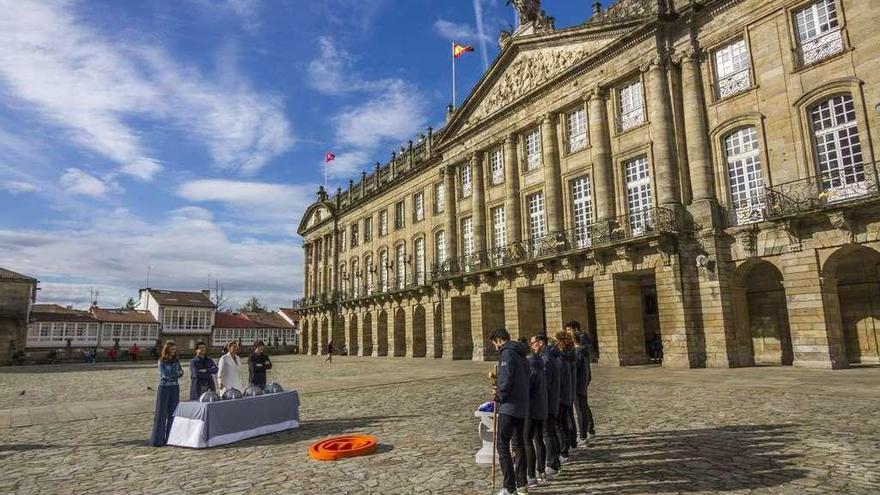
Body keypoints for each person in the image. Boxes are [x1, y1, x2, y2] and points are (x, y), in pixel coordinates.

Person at [490, 328, 529, 495]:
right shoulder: (522, 354)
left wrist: (498, 395)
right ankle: (522, 485)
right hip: (522, 405)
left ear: (499, 340)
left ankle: (509, 487)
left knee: (502, 445)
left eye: (494, 344)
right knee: (519, 445)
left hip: (509, 406)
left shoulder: (507, 353)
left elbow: (506, 379)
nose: (495, 348)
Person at [534, 333, 561, 478]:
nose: (532, 347)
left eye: (533, 344)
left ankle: (552, 463)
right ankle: (555, 461)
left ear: (540, 343)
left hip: (546, 402)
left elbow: (544, 384)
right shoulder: (551, 357)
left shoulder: (545, 359)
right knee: (551, 432)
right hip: (552, 401)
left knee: (547, 434)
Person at [149, 341, 183, 446]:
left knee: (173, 412)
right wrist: (176, 374)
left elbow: (181, 372)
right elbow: (166, 374)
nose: (173, 352)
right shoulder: (162, 361)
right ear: (167, 350)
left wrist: (176, 374)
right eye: (171, 350)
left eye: (174, 350)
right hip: (164, 388)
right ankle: (158, 439)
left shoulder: (176, 361)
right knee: (161, 413)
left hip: (174, 387)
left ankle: (171, 437)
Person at [525, 335, 548, 486]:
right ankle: (542, 471)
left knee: (527, 441)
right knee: (539, 439)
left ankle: (531, 474)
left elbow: (527, 389)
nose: (532, 346)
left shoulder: (531, 366)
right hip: (542, 406)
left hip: (531, 409)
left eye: (533, 343)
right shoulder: (541, 364)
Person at [555, 331, 577, 463]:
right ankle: (570, 444)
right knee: (567, 421)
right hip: (568, 392)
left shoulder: (561, 358)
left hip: (561, 395)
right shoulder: (571, 356)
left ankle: (563, 449)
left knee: (559, 424)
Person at [574, 332, 595, 444]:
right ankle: (589, 431)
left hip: (577, 385)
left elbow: (574, 370)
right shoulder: (584, 351)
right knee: (583, 407)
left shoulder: (577, 353)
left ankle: (583, 435)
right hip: (583, 384)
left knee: (580, 410)